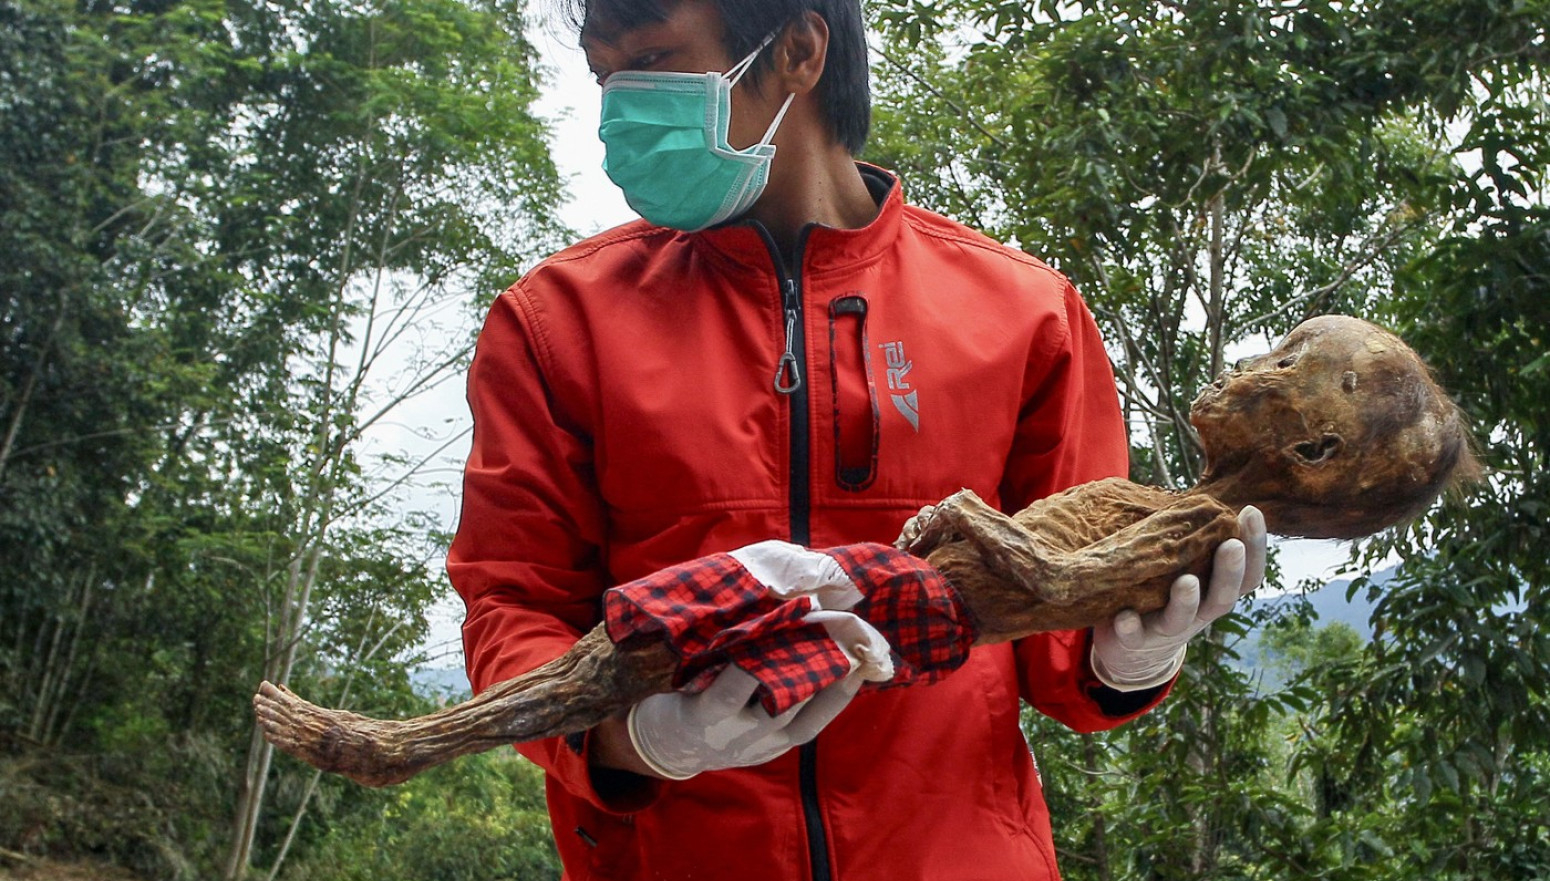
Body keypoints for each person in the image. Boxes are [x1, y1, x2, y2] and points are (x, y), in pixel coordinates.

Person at [446, 1, 1268, 878]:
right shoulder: (558, 324)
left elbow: (1066, 654)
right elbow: (512, 606)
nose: (620, 107)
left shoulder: (1023, 316)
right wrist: (636, 738)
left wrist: (1133, 650)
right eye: (605, 76)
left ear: (798, 49)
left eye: (651, 60)